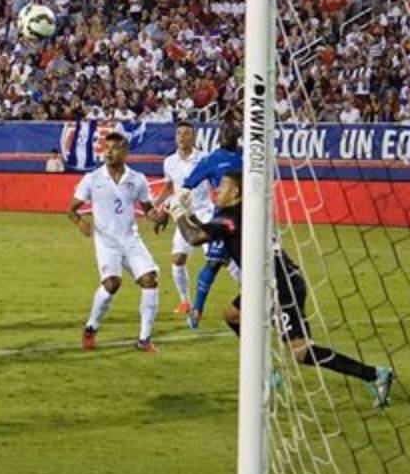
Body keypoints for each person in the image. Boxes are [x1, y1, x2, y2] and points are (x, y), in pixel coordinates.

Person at [169, 172, 395, 408]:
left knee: (301, 352)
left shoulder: (231, 218)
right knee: (233, 315)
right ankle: (266, 371)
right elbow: (206, 230)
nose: (217, 191)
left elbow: (194, 237)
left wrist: (177, 212)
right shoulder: (243, 213)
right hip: (268, 283)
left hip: (281, 287)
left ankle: (375, 374)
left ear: (235, 192)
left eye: (222, 187)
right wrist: (189, 213)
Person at [68, 132, 164, 353]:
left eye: (114, 148)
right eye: (106, 147)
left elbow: (147, 209)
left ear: (125, 151)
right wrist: (80, 222)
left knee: (150, 280)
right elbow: (71, 210)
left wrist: (157, 217)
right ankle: (91, 327)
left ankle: (144, 339)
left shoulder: (137, 179)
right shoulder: (92, 179)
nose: (109, 152)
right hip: (106, 242)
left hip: (130, 240)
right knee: (112, 283)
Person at [179, 119, 244, 328]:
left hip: (250, 219)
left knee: (253, 265)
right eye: (223, 131)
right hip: (225, 219)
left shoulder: (249, 156)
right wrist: (182, 197)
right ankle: (196, 310)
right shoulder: (212, 160)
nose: (225, 135)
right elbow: (189, 183)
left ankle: (261, 303)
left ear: (237, 135)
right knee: (213, 262)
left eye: (229, 131)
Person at [152, 121, 212, 315]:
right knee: (177, 259)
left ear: (193, 136)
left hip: (204, 212)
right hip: (183, 215)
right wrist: (157, 206)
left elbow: (215, 182)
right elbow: (170, 187)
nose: (182, 137)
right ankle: (185, 302)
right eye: (179, 133)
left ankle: (246, 294)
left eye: (187, 133)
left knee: (214, 257)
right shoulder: (169, 162)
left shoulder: (204, 158)